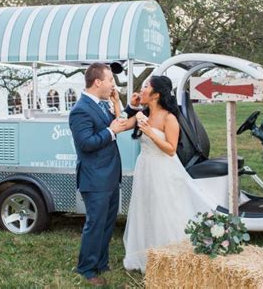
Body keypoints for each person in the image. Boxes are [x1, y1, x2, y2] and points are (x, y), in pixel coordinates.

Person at [122, 75, 216, 273]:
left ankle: (171, 257)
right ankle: (147, 255)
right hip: (145, 168)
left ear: (156, 94)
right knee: (145, 209)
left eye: (146, 86)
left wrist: (150, 133)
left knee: (164, 210)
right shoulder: (143, 113)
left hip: (163, 170)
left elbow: (171, 149)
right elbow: (121, 123)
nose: (142, 89)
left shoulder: (169, 118)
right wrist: (129, 107)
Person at [68, 63, 127, 286]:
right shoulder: (81, 110)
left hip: (110, 176)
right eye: (111, 80)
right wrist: (111, 131)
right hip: (95, 178)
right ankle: (86, 268)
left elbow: (116, 121)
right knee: (95, 224)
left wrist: (119, 105)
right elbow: (86, 144)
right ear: (98, 82)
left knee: (107, 223)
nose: (113, 84)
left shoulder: (102, 105)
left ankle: (101, 263)